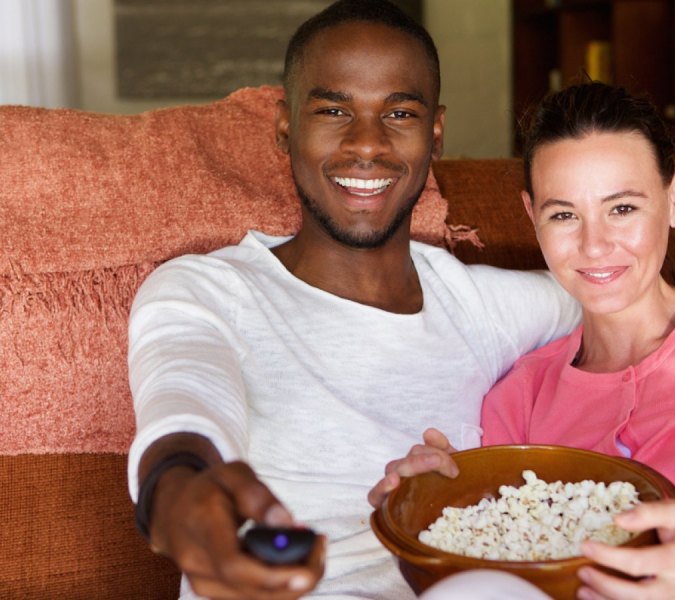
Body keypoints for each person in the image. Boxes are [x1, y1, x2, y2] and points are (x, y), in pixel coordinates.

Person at [126, 1, 584, 599]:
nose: (366, 144)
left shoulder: (481, 304)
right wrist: (182, 494)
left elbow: (625, 301)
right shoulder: (207, 291)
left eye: (399, 113)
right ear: (285, 124)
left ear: (435, 133)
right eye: (334, 110)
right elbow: (185, 408)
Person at [370, 82, 675, 599]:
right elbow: (505, 558)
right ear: (533, 218)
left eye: (622, 209)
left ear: (674, 199)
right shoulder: (520, 398)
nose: (594, 245)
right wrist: (426, 500)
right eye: (564, 215)